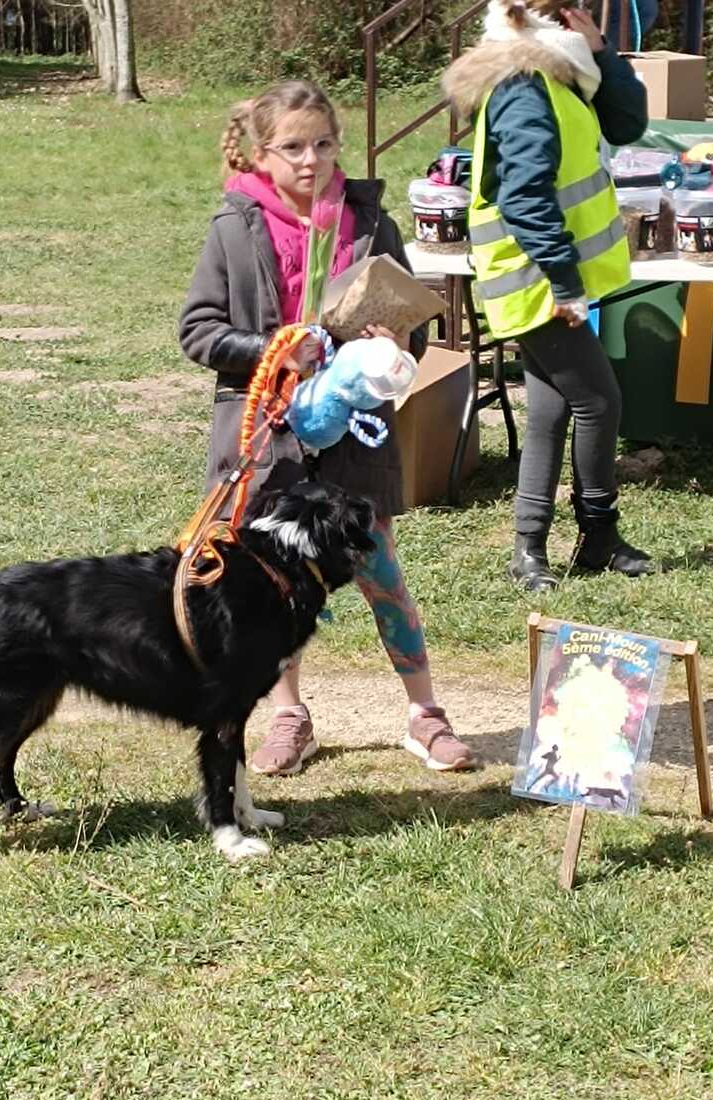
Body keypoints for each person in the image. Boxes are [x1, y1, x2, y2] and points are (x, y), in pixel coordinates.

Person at [179, 80, 477, 775]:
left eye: (322, 144)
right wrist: (274, 350)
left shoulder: (368, 223)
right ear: (260, 153)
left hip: (354, 433)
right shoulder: (235, 227)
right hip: (268, 436)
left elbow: (414, 320)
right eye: (292, 147)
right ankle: (288, 715)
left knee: (380, 570)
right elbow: (198, 331)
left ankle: (425, 715)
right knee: (272, 583)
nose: (310, 160)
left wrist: (394, 342)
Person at [444, 0, 654, 591]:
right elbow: (524, 195)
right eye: (577, 8)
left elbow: (627, 125)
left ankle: (529, 549)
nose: (587, 14)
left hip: (544, 276)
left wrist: (603, 56)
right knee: (599, 402)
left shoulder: (561, 74)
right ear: (557, 20)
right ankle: (598, 537)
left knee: (551, 410)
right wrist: (564, 281)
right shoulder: (523, 85)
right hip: (535, 278)